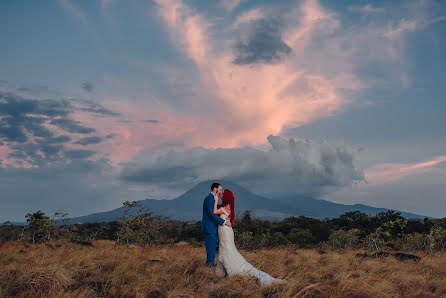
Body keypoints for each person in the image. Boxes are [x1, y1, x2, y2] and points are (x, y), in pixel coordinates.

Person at [213, 189, 286, 285]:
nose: (220, 194)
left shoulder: (226, 207)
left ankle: (232, 271)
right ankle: (221, 270)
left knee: (227, 249)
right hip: (224, 230)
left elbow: (214, 211)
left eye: (222, 193)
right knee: (224, 249)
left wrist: (215, 199)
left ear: (226, 197)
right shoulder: (226, 206)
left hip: (226, 231)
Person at [201, 182, 232, 267]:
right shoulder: (210, 199)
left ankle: (210, 267)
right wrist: (225, 222)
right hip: (209, 228)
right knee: (211, 250)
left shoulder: (213, 199)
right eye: (220, 189)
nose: (221, 192)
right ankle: (209, 269)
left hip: (212, 228)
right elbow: (212, 214)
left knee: (212, 250)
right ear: (215, 189)